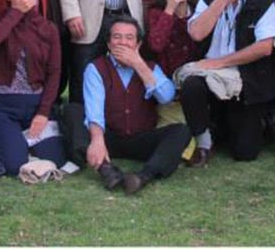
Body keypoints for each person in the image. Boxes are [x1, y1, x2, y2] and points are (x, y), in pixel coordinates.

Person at [64, 15, 191, 194]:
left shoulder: (150, 67)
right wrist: (98, 140)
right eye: (117, 37)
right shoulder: (96, 68)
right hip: (109, 137)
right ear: (108, 44)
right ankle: (106, 170)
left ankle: (143, 176)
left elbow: (166, 97)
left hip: (141, 138)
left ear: (138, 44)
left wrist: (138, 64)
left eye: (129, 38)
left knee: (181, 131)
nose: (123, 42)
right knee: (73, 111)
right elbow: (95, 109)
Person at [179, 0, 275, 165]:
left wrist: (219, 63)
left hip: (245, 76)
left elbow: (264, 48)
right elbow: (196, 33)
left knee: (245, 153)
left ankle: (243, 124)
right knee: (191, 85)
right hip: (210, 74)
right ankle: (204, 143)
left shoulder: (263, 2)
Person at [0, 0, 65, 176]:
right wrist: (17, 11)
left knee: (55, 159)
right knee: (13, 165)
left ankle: (21, 143)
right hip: (2, 105)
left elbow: (54, 73)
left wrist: (43, 113)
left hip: (34, 105)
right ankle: (12, 143)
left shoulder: (48, 28)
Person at [145, 0, 202, 77]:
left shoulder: (198, 11)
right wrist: (170, 9)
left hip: (193, 72)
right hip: (165, 71)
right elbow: (156, 45)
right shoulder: (155, 13)